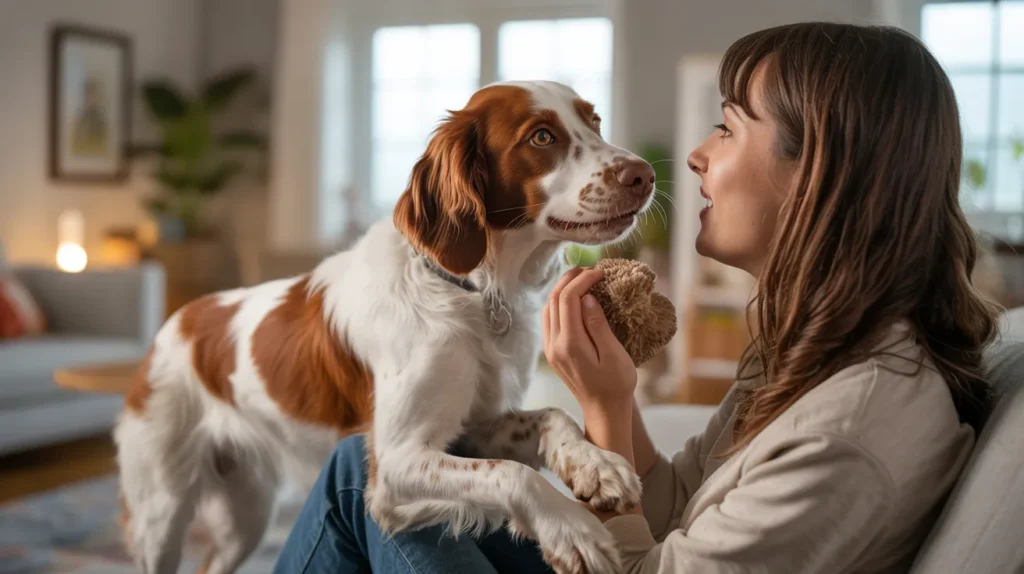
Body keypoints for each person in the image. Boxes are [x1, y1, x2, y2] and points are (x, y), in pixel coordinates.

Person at [273, 21, 1000, 573]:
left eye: (727, 128)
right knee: (379, 468)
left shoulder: (845, 433)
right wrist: (612, 401)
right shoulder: (815, 357)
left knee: (360, 477)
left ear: (818, 174)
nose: (695, 156)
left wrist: (596, 411)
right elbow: (674, 504)